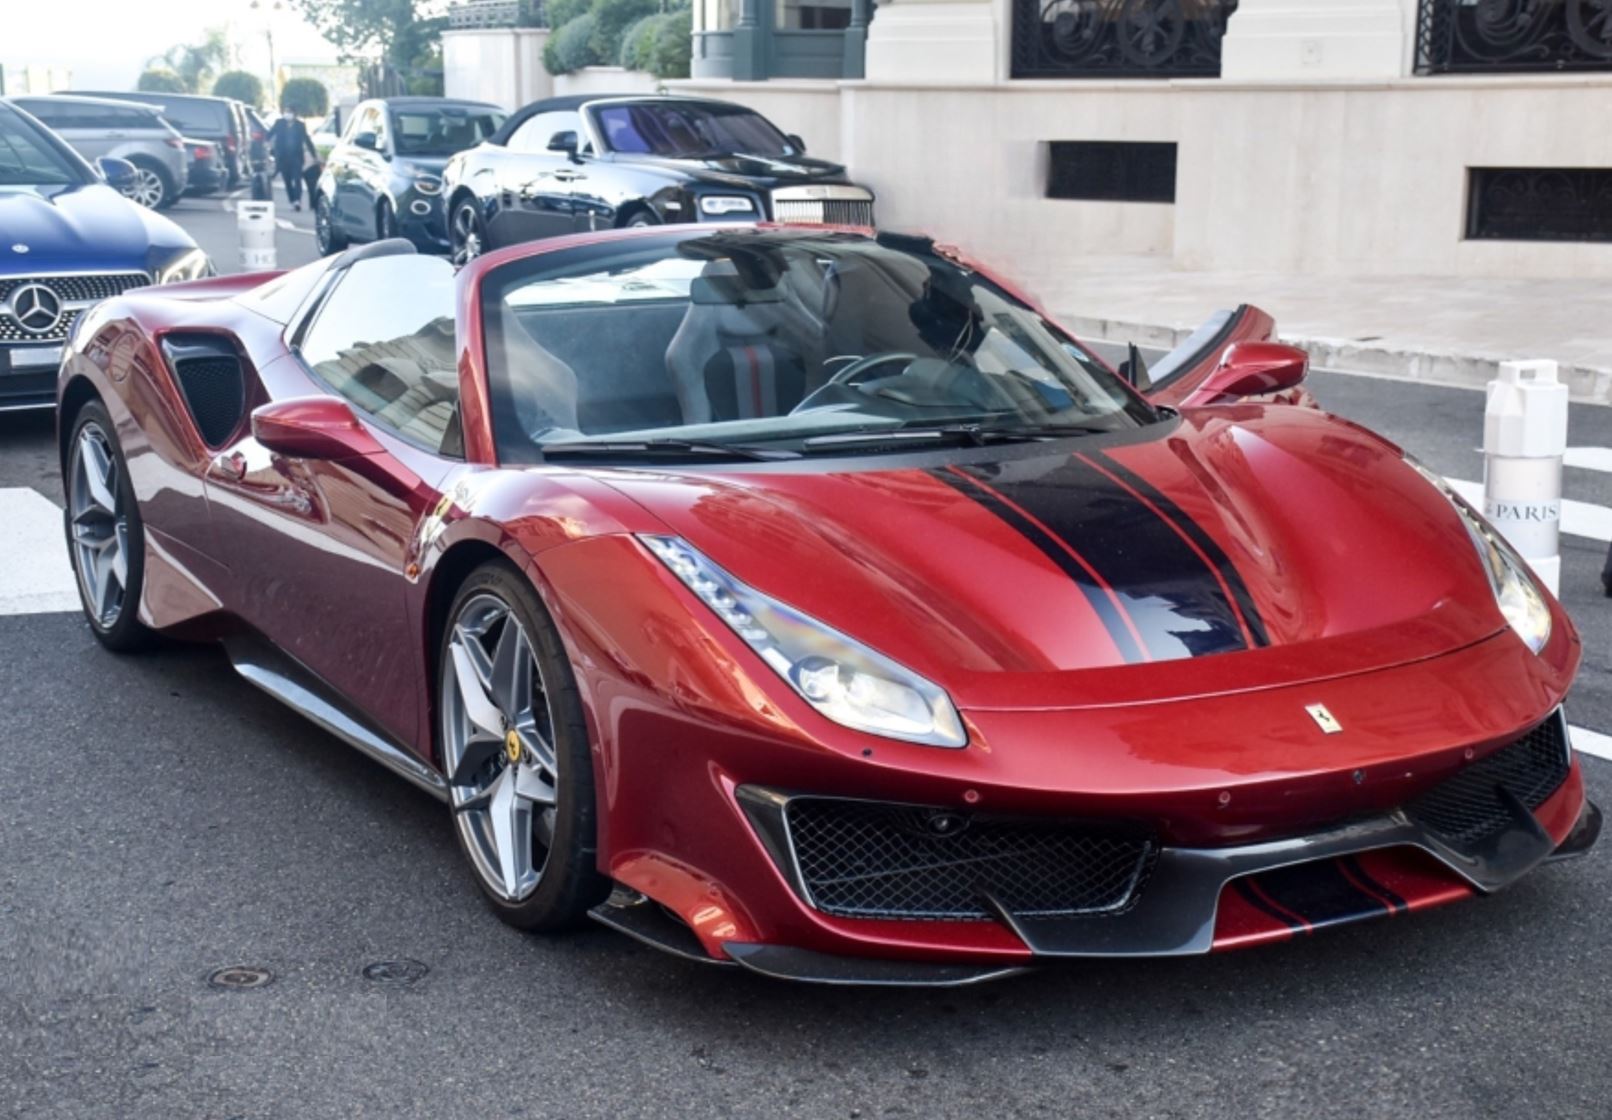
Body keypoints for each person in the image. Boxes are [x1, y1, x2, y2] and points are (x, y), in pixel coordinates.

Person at [266, 106, 320, 211]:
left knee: (297, 179)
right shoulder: (279, 123)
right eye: (286, 112)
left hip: (296, 157)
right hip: (282, 157)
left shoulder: (300, 126)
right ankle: (292, 199)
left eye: (290, 112)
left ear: (295, 114)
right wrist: (265, 142)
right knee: (287, 181)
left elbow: (307, 140)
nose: (288, 114)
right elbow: (270, 134)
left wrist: (314, 155)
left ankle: (297, 201)